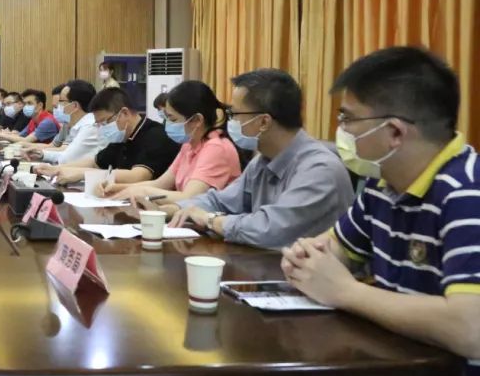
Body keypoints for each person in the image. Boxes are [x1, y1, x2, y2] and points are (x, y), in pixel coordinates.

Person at [263, 47, 480, 376]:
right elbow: (331, 249)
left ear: (395, 132)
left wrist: (346, 292)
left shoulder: (466, 194)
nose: (341, 132)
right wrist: (305, 259)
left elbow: (470, 328)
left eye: (348, 119)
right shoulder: (382, 186)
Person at [162, 68, 353, 250]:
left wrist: (211, 220)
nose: (230, 121)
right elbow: (221, 201)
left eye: (234, 114)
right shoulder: (263, 161)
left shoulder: (319, 169)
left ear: (263, 122)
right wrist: (171, 210)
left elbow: (269, 229)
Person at [102, 80, 240, 204]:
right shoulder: (189, 145)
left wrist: (142, 192)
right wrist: (116, 188)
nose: (167, 124)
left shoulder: (216, 147)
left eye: (173, 119)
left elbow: (189, 198)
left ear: (197, 120)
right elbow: (160, 183)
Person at [40, 87, 179, 185]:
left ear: (124, 113)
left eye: (104, 122)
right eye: (98, 124)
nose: (101, 128)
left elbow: (137, 176)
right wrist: (58, 169)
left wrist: (82, 174)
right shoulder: (121, 137)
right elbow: (94, 162)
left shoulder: (156, 136)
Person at [28, 80, 103, 165]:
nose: (58, 106)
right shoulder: (78, 125)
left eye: (61, 101)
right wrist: (40, 154)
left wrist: (40, 154)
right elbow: (66, 154)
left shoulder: (89, 127)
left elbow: (66, 159)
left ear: (74, 105)